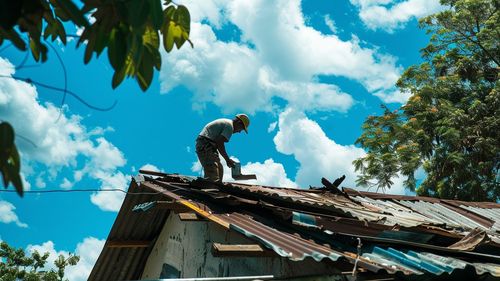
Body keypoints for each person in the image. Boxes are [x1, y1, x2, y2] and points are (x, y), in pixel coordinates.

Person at [195, 114, 250, 182]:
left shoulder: (227, 123)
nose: (239, 132)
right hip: (205, 144)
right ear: (239, 123)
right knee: (213, 172)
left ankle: (216, 187)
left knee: (219, 170)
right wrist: (227, 159)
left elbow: (218, 143)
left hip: (208, 145)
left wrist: (227, 160)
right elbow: (220, 143)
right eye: (241, 129)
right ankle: (209, 187)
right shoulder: (229, 126)